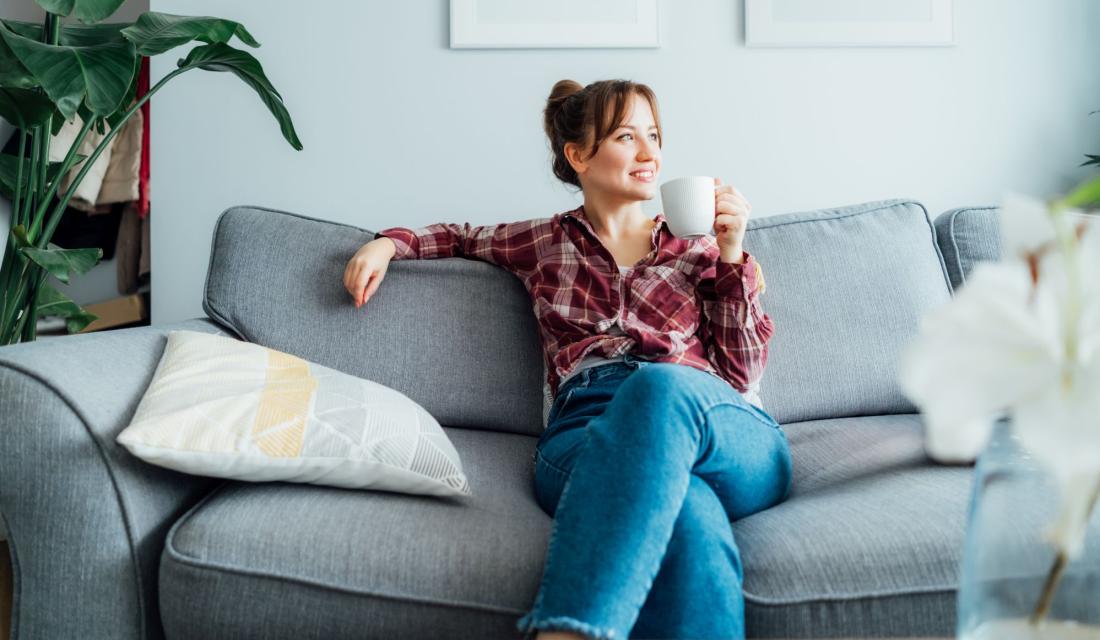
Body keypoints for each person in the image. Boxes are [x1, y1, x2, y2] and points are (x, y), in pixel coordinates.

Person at [342, 79, 792, 640]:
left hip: (717, 429)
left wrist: (732, 257)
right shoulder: (543, 242)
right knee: (689, 515)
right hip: (587, 433)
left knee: (660, 389)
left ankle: (567, 631)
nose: (650, 153)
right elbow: (458, 237)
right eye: (627, 136)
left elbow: (741, 374)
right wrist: (387, 243)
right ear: (577, 156)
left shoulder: (701, 250)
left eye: (654, 135)